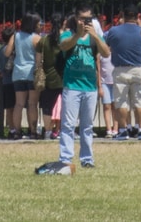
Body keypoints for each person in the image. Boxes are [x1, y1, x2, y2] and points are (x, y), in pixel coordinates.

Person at [37, 9, 110, 175]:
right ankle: (65, 158)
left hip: (89, 87)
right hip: (72, 86)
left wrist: (97, 36)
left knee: (87, 126)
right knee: (68, 125)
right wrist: (78, 35)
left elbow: (106, 53)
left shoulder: (94, 37)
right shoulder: (67, 35)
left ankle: (87, 159)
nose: (86, 21)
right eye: (82, 18)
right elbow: (64, 46)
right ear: (75, 19)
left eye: (89, 18)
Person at [103, 5, 141, 138]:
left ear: (123, 15)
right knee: (139, 101)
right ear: (137, 16)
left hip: (120, 69)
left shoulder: (114, 31)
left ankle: (123, 130)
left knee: (121, 102)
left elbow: (106, 45)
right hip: (138, 69)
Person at [6, 13, 42, 139]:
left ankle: (17, 131)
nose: (40, 25)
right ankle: (33, 131)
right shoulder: (37, 38)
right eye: (38, 23)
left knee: (19, 104)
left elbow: (7, 52)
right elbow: (39, 57)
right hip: (32, 73)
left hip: (18, 73)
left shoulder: (15, 36)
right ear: (33, 25)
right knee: (32, 104)